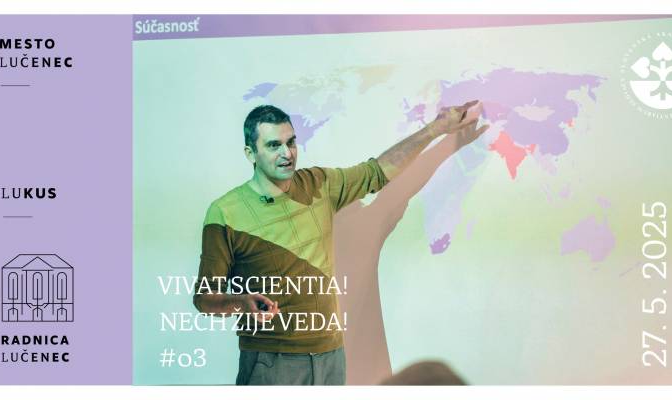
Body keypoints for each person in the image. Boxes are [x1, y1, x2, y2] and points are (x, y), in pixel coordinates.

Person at [193, 103, 488, 385]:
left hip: (331, 355)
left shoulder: (319, 183)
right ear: (251, 153)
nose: (287, 153)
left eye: (291, 142)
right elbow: (204, 298)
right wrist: (240, 303)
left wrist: (437, 128)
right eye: (274, 145)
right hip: (272, 361)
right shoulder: (225, 212)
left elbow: (378, 171)